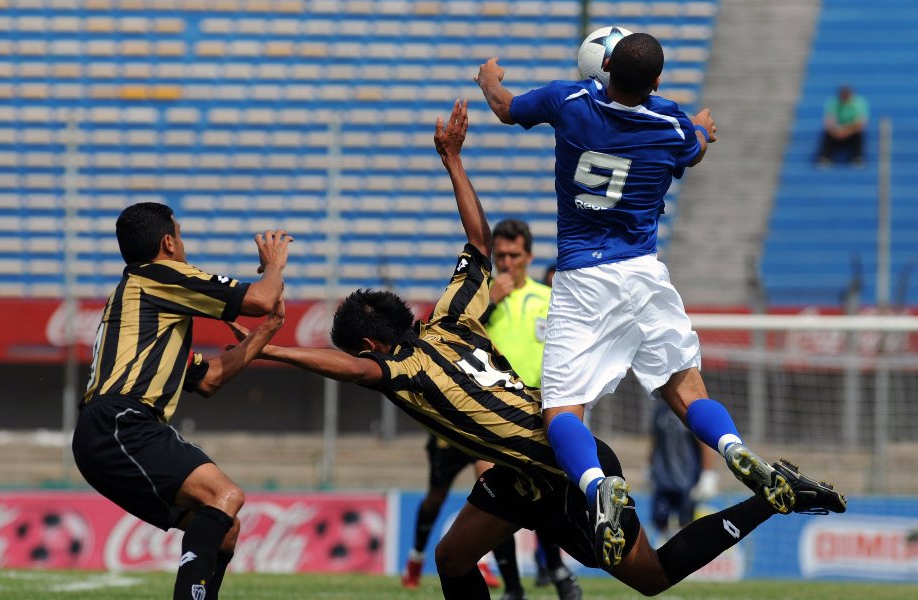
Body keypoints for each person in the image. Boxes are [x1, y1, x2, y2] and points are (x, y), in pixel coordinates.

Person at [253, 100, 846, 600]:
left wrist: (268, 348)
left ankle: (774, 497)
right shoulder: (453, 320)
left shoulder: (401, 366)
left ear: (373, 342)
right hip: (520, 471)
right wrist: (453, 160)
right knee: (454, 558)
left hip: (559, 467)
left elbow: (353, 368)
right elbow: (479, 244)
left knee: (650, 576)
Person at [475, 32, 798, 570]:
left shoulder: (568, 101)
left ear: (602, 69)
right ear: (655, 81)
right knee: (688, 392)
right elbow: (695, 145)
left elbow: (506, 109)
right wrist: (702, 128)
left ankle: (597, 485)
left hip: (582, 280)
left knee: (561, 411)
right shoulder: (670, 125)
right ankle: (733, 449)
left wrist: (489, 77)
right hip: (645, 276)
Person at [71, 201, 292, 600]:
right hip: (121, 422)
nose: (184, 244)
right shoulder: (159, 274)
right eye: (182, 234)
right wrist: (273, 266)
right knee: (226, 495)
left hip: (107, 431)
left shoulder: (146, 310)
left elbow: (208, 380)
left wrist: (266, 333)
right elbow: (260, 298)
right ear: (169, 242)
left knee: (225, 527)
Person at [483, 219, 581, 600]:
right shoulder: (480, 299)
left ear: (529, 256)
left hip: (539, 410)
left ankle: (556, 569)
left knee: (545, 492)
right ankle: (512, 587)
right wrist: (489, 302)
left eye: (514, 255)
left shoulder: (549, 298)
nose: (506, 263)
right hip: (489, 409)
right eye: (500, 255)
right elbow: (455, 336)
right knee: (493, 492)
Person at [402, 435, 503, 591]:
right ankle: (416, 559)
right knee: (435, 499)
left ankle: (482, 562)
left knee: (491, 488)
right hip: (449, 435)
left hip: (476, 431)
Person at [648, 396, 719, 545]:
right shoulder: (660, 411)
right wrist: (649, 466)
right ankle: (669, 549)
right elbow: (654, 440)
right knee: (659, 520)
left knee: (685, 523)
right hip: (662, 479)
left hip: (687, 480)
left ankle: (682, 557)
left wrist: (708, 474)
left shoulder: (691, 412)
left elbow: (705, 444)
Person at [816, 84, 869, 166]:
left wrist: (846, 131)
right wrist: (837, 131)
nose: (845, 98)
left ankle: (857, 158)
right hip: (837, 133)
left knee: (859, 135)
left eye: (847, 95)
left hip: (851, 133)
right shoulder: (833, 102)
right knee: (827, 135)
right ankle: (825, 157)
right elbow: (828, 122)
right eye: (843, 95)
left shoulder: (858, 103)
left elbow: (861, 123)